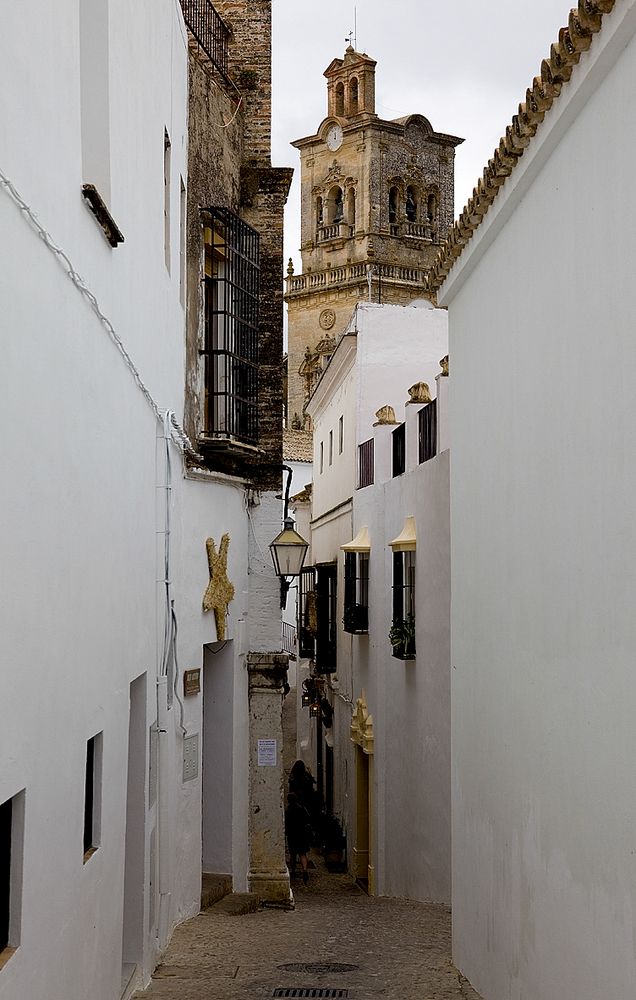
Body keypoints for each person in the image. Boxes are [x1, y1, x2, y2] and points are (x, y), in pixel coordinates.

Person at [285, 792, 311, 883]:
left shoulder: (288, 810)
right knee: (302, 854)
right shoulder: (302, 809)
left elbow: (286, 824)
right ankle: (305, 871)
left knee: (293, 854)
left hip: (293, 835)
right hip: (302, 834)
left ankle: (293, 871)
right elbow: (308, 820)